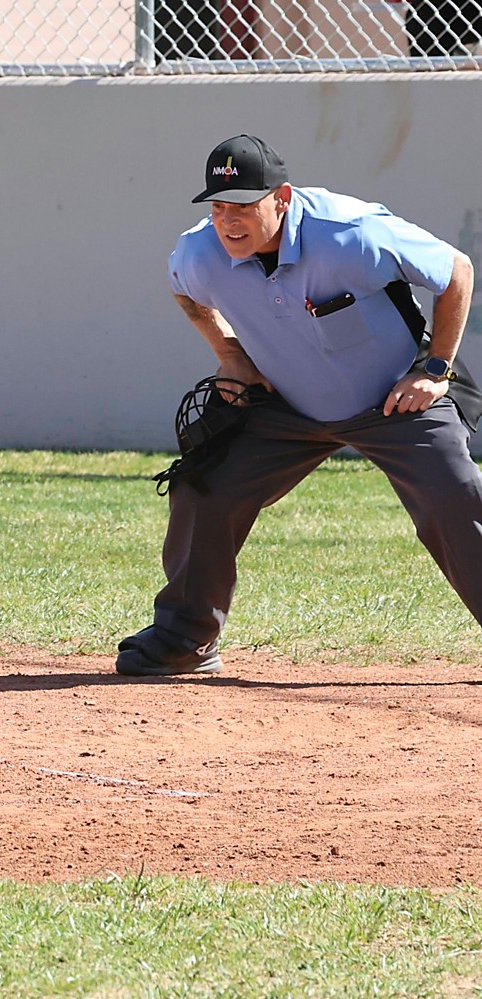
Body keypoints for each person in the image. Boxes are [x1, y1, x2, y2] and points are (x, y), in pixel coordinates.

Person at [117, 134, 478, 676]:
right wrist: (229, 355)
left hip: (394, 398)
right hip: (286, 404)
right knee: (203, 486)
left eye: (243, 206)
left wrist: (434, 370)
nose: (228, 221)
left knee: (455, 495)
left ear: (281, 198)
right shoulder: (200, 253)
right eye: (218, 206)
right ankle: (184, 638)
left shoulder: (350, 233)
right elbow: (183, 290)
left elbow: (456, 271)